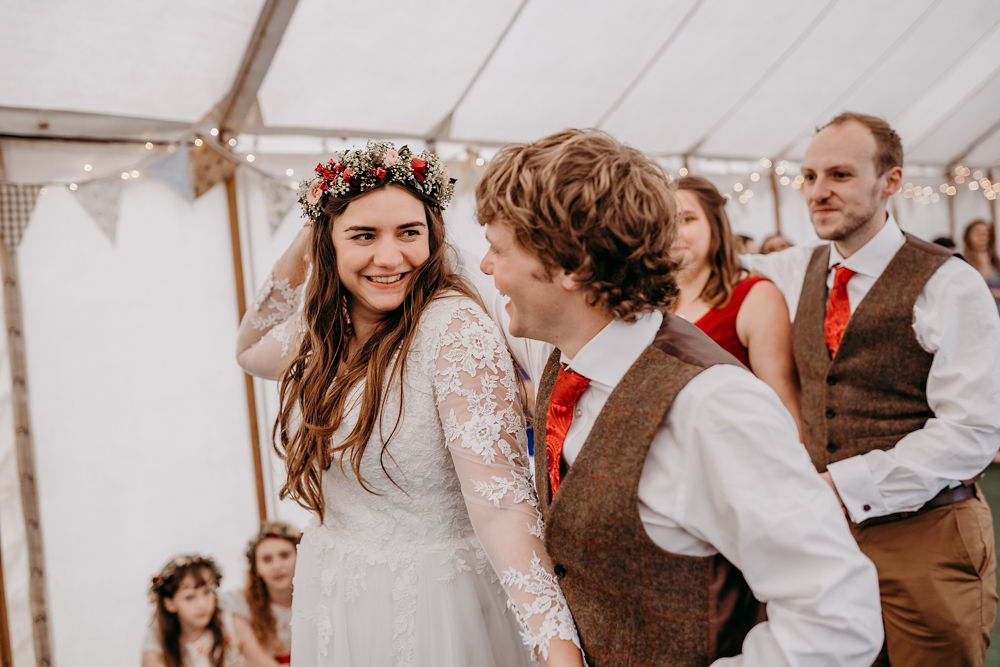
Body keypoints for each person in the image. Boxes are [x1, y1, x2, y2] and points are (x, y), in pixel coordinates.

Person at [473, 128, 882, 666]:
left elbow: (837, 619)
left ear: (569, 266)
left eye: (499, 250)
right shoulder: (562, 350)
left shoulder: (712, 408)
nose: (486, 267)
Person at [235, 141, 583, 666]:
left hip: (433, 608)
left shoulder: (453, 331)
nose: (390, 257)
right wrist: (312, 227)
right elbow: (251, 347)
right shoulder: (323, 326)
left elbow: (504, 506)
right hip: (337, 592)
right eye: (363, 235)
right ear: (327, 244)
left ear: (433, 236)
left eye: (408, 232)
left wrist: (558, 649)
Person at [741, 112, 1000, 666]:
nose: (818, 192)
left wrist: (840, 487)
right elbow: (714, 267)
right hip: (822, 542)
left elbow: (972, 432)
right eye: (808, 177)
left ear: (892, 181)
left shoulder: (949, 284)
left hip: (926, 534)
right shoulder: (794, 269)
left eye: (839, 175)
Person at [672, 175, 801, 432]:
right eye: (664, 222)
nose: (673, 233)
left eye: (687, 219)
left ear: (715, 224)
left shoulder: (754, 297)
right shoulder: (649, 301)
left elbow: (784, 403)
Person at [142, 555, 244, 667]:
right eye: (190, 597)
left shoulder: (230, 624)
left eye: (207, 592)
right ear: (169, 604)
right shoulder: (158, 641)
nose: (202, 604)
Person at [223, 522, 301, 666]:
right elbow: (257, 658)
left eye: (284, 556)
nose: (277, 566)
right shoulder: (242, 607)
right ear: (256, 568)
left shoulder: (319, 601)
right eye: (267, 559)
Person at [962, 219, 1000, 312]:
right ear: (968, 236)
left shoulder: (996, 261)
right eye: (978, 232)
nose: (983, 236)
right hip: (976, 313)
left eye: (986, 233)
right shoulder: (963, 262)